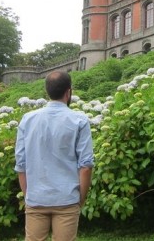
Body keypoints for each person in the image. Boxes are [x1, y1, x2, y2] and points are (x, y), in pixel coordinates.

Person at [15, 71, 95, 241]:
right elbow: (86, 166)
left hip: (36, 198)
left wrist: (29, 195)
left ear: (47, 91)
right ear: (69, 92)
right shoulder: (79, 120)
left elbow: (20, 164)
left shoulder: (27, 119)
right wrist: (79, 200)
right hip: (67, 198)